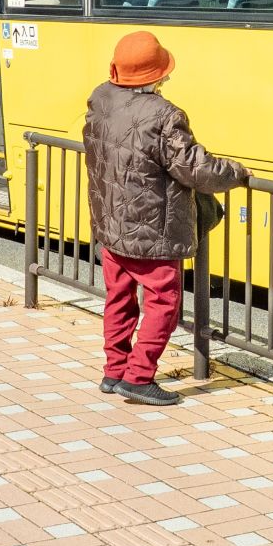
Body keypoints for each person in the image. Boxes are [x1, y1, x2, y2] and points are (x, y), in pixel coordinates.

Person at [83, 30, 248, 406]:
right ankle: (139, 378)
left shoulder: (101, 98)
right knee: (163, 301)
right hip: (152, 230)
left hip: (110, 224)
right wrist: (236, 172)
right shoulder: (164, 115)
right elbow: (195, 168)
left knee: (119, 299)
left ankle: (114, 371)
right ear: (157, 75)